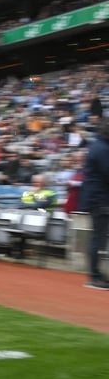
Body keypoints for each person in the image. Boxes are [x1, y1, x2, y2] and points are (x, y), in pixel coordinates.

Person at [81, 120, 109, 290]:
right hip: (101, 200)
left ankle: (95, 275)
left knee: (98, 238)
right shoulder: (102, 148)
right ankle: (94, 276)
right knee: (98, 239)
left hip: (99, 199)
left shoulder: (99, 146)